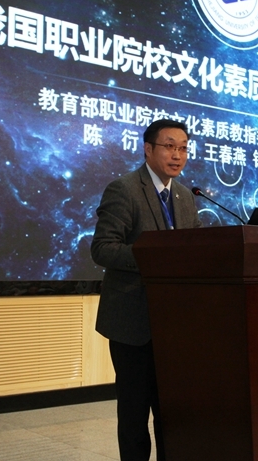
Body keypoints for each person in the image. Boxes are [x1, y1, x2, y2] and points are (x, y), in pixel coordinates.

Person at [91, 118, 202, 461]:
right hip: (133, 323)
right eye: (169, 146)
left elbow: (195, 249)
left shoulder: (185, 197)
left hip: (174, 326)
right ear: (148, 149)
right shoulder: (124, 189)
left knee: (172, 413)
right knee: (134, 415)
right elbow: (103, 248)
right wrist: (156, 258)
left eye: (183, 148)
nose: (177, 155)